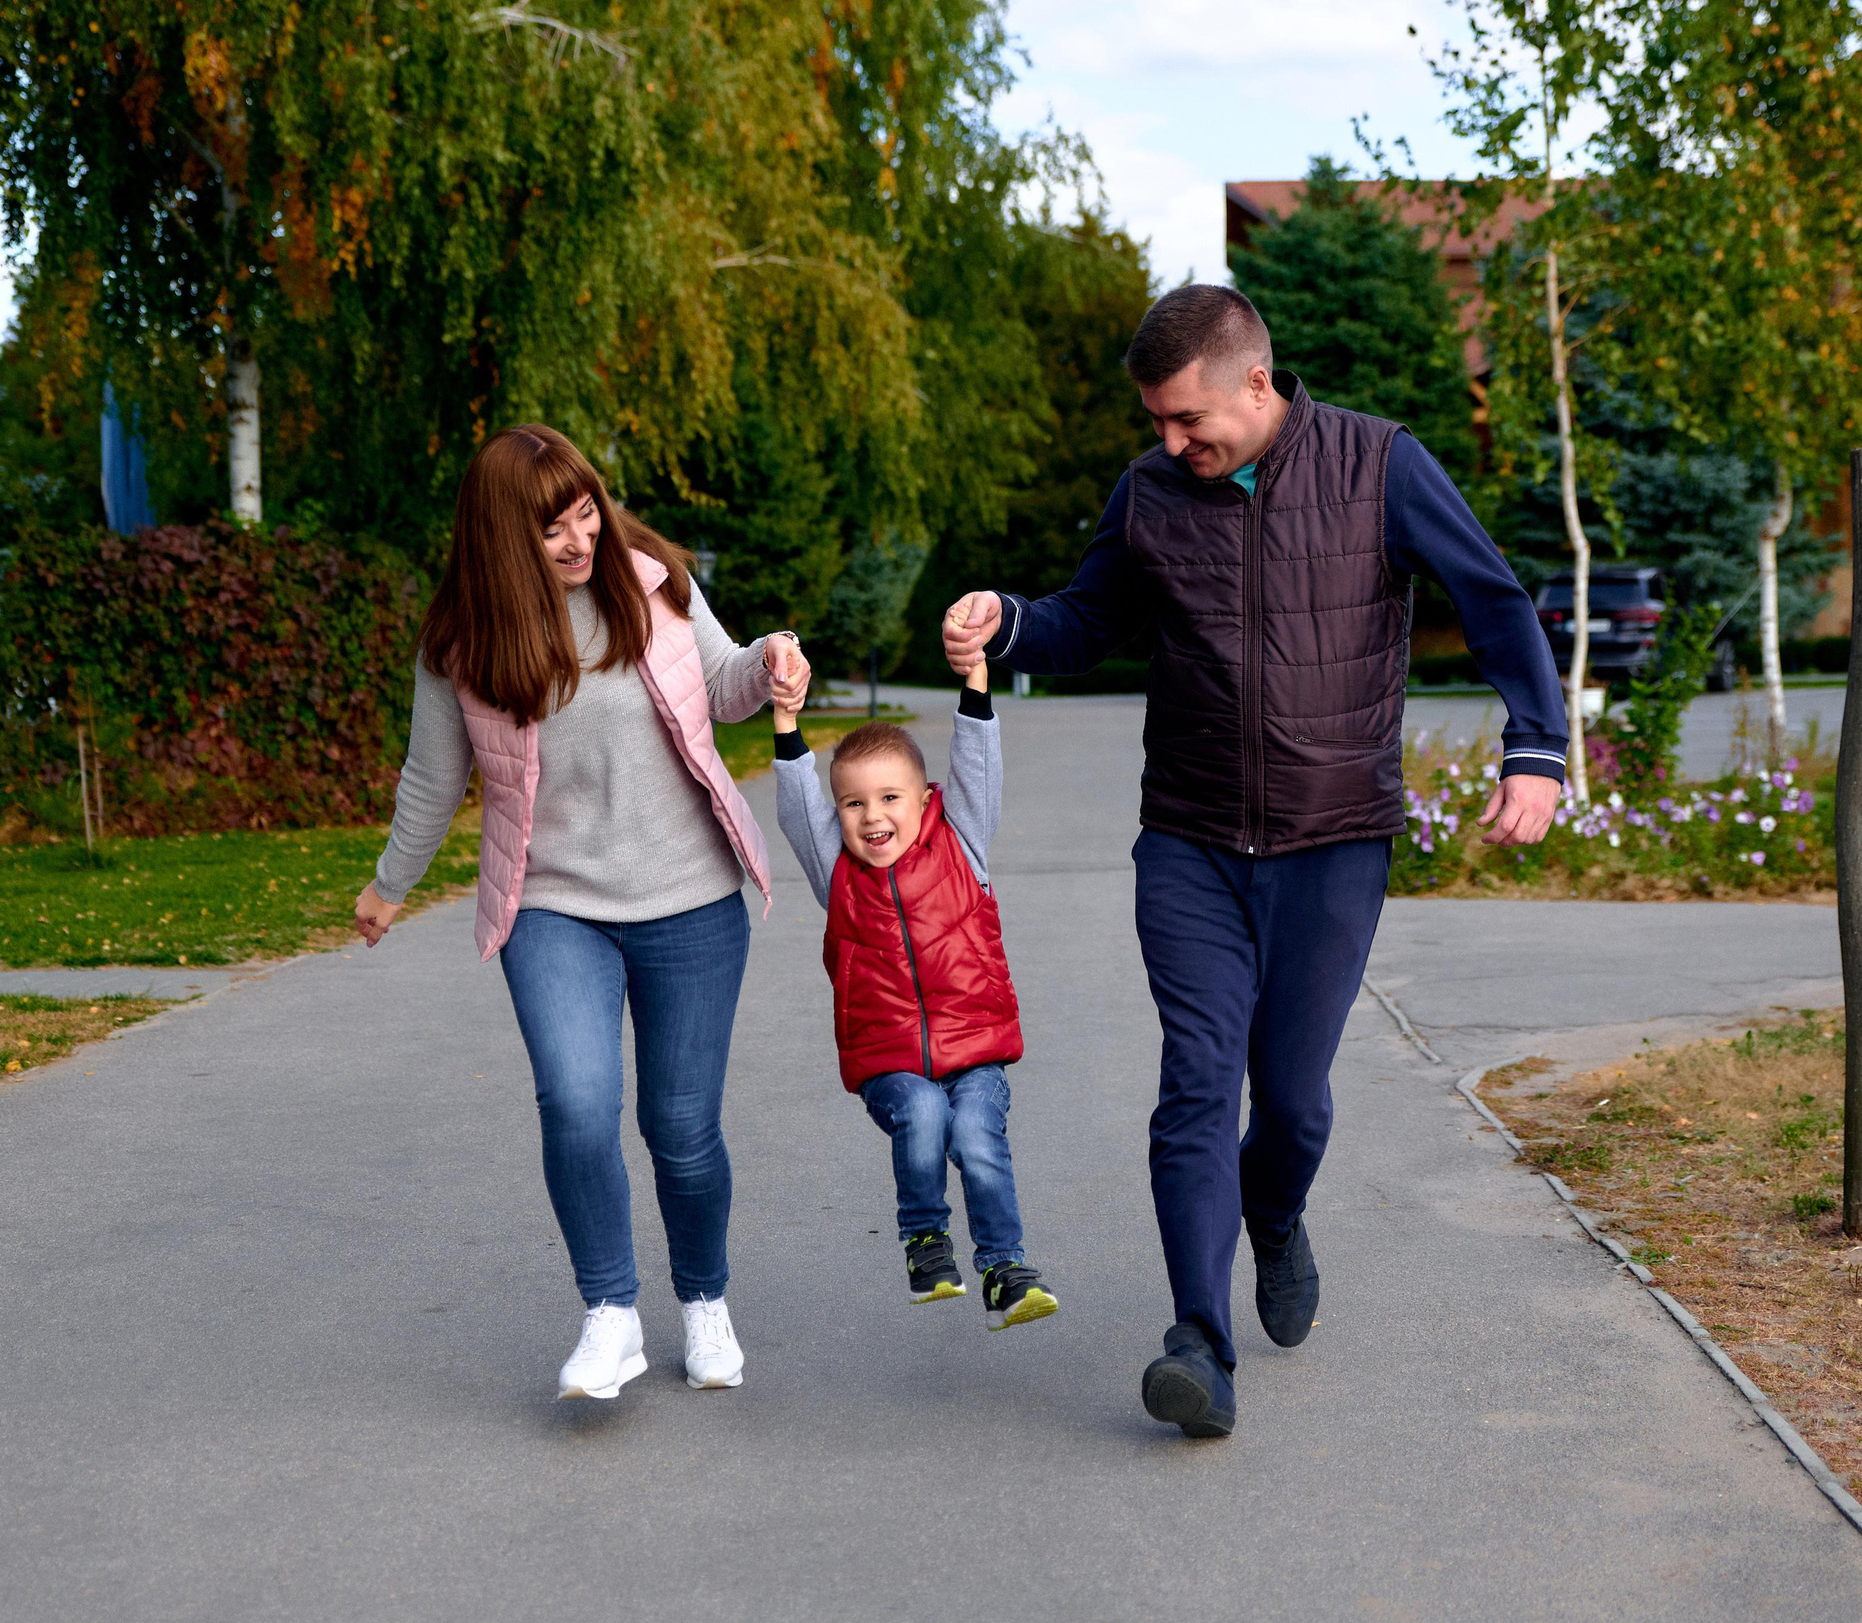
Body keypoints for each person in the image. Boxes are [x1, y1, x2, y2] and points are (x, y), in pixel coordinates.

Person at [943, 285, 1567, 1439]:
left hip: (1333, 843)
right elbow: (1089, 617)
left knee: (1289, 1100)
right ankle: (1198, 1340)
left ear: (1256, 382)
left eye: (1188, 419)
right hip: (1188, 841)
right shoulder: (1149, 492)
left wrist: (1534, 746)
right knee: (1195, 1080)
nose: (1170, 441)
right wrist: (1008, 622)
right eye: (1156, 421)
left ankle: (1272, 1212)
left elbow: (1490, 596)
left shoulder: (1378, 464)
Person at [352, 423, 813, 1402]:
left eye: (584, 512)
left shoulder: (654, 583)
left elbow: (724, 685)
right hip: (553, 904)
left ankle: (704, 1301)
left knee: (680, 1126)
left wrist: (771, 659)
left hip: (691, 896)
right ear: (500, 536)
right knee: (575, 1102)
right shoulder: (463, 642)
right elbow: (433, 777)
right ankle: (610, 1314)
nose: (579, 539)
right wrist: (391, 883)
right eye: (551, 527)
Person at [765, 648, 1059, 1329]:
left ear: (926, 800)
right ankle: (926, 1242)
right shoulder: (837, 872)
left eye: (890, 797)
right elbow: (799, 807)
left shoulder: (962, 840)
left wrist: (976, 679)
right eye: (853, 803)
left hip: (976, 1054)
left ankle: (1005, 1271)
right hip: (891, 1067)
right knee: (924, 1114)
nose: (872, 816)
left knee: (976, 1134)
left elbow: (978, 765)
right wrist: (785, 719)